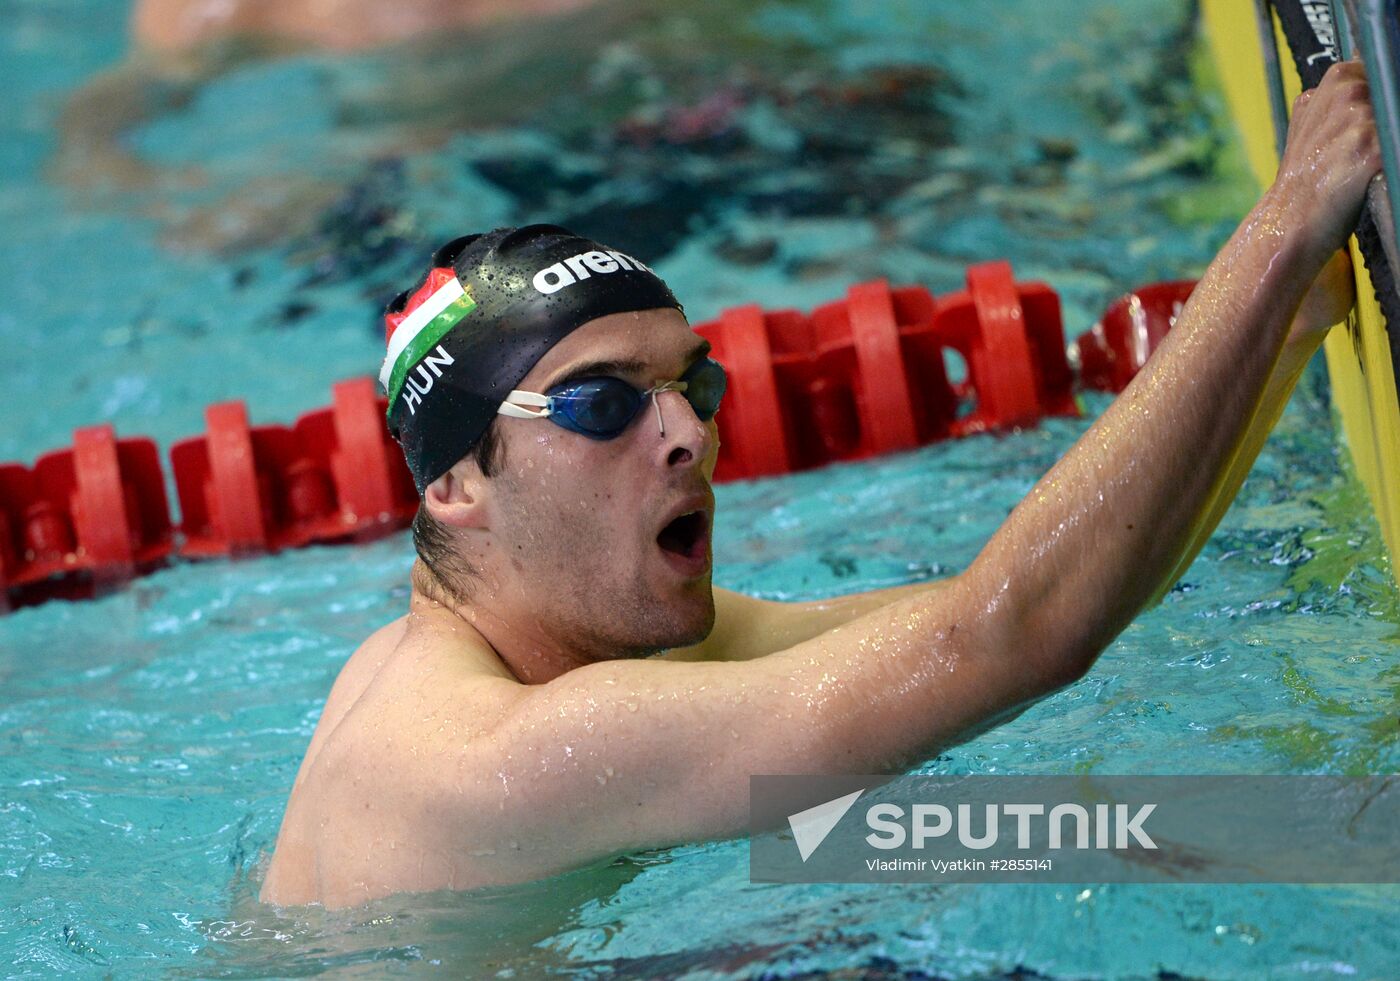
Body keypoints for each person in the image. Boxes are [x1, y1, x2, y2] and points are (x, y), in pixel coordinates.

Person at [259, 61, 1380, 909]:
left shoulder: (525, 648)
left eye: (691, 382)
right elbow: (1012, 636)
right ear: (455, 483)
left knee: (1032, 828)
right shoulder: (502, 756)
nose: (687, 435)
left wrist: (1273, 348)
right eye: (601, 404)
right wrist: (1277, 232)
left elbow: (1037, 602)